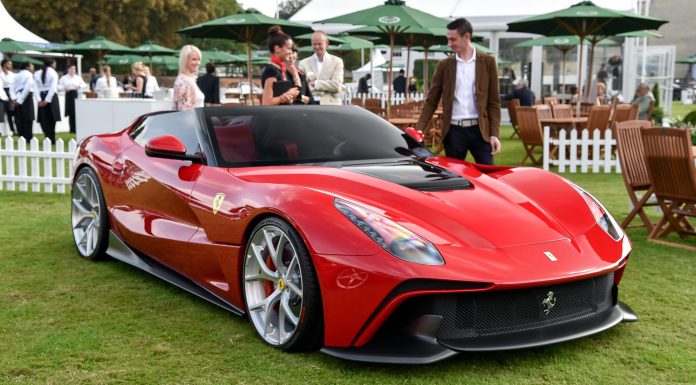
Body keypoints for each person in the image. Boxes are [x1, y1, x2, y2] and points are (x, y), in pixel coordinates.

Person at [415, 17, 501, 165]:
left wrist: (494, 134)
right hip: (454, 132)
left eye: (453, 39)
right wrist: (419, 129)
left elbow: (493, 102)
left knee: (489, 176)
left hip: (481, 131)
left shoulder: (488, 62)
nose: (449, 44)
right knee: (455, 178)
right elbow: (432, 100)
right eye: (448, 39)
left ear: (466, 37)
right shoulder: (444, 65)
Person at [298, 31, 344, 105]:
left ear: (327, 43)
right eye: (314, 44)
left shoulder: (337, 61)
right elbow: (302, 86)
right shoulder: (303, 63)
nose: (316, 47)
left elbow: (337, 85)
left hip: (331, 105)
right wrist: (328, 86)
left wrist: (315, 83)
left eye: (319, 44)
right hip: (309, 104)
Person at [261, 26, 300, 106]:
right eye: (289, 48)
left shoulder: (280, 68)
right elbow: (266, 102)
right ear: (277, 48)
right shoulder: (271, 70)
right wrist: (286, 95)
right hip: (275, 116)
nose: (290, 52)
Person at [33, 59, 61, 143]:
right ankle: (51, 138)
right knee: (52, 119)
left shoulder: (37, 73)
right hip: (51, 97)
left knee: (44, 119)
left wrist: (39, 100)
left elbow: (35, 88)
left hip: (41, 96)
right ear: (52, 64)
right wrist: (47, 100)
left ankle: (47, 137)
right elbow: (53, 88)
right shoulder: (53, 73)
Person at [173, 44, 204, 111]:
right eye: (194, 59)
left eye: (199, 59)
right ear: (185, 60)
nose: (197, 63)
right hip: (190, 120)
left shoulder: (190, 79)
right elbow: (184, 111)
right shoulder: (185, 81)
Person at [10, 62, 35, 141]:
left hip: (17, 97)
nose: (32, 68)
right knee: (28, 118)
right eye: (31, 66)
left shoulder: (16, 75)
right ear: (28, 67)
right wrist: (20, 100)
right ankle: (28, 137)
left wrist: (14, 99)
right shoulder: (29, 75)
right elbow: (27, 88)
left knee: (19, 118)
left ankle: (21, 136)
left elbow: (11, 88)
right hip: (26, 98)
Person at [58, 64, 86, 134]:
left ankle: (77, 128)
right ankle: (72, 129)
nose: (73, 70)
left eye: (74, 69)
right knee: (70, 113)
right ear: (68, 70)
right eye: (71, 69)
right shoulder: (64, 78)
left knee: (76, 112)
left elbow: (84, 84)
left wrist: (80, 86)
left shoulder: (78, 77)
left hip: (76, 94)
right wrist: (63, 88)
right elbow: (58, 86)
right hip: (68, 95)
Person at [1, 59, 16, 135]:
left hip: (11, 93)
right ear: (4, 65)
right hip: (2, 92)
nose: (10, 66)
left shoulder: (12, 74)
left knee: (11, 113)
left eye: (11, 64)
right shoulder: (1, 74)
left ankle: (13, 130)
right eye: (9, 64)